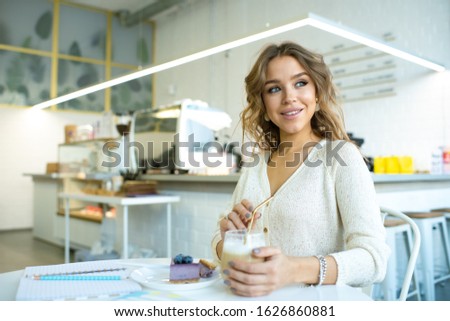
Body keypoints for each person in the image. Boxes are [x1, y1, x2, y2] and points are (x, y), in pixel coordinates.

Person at [211, 41, 390, 297]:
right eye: (274, 89)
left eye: (300, 83)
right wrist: (230, 243)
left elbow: (374, 259)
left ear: (317, 93)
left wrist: (293, 270)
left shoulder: (341, 158)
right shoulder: (256, 164)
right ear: (263, 104)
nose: (289, 97)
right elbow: (217, 240)